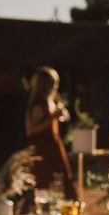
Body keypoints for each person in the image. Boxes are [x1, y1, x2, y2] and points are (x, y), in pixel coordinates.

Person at [25, 66, 77, 199]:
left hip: (54, 146)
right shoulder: (39, 103)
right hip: (43, 150)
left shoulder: (52, 100)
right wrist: (52, 118)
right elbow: (31, 130)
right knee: (44, 182)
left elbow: (63, 116)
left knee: (63, 179)